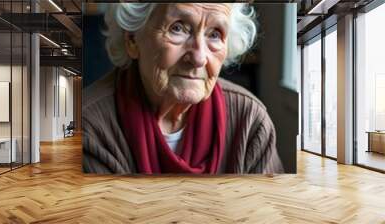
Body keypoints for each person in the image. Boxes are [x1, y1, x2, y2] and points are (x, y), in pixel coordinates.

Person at [83, 3, 284, 174]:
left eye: (214, 34)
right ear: (132, 39)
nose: (198, 58)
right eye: (177, 28)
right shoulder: (88, 128)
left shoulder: (249, 120)